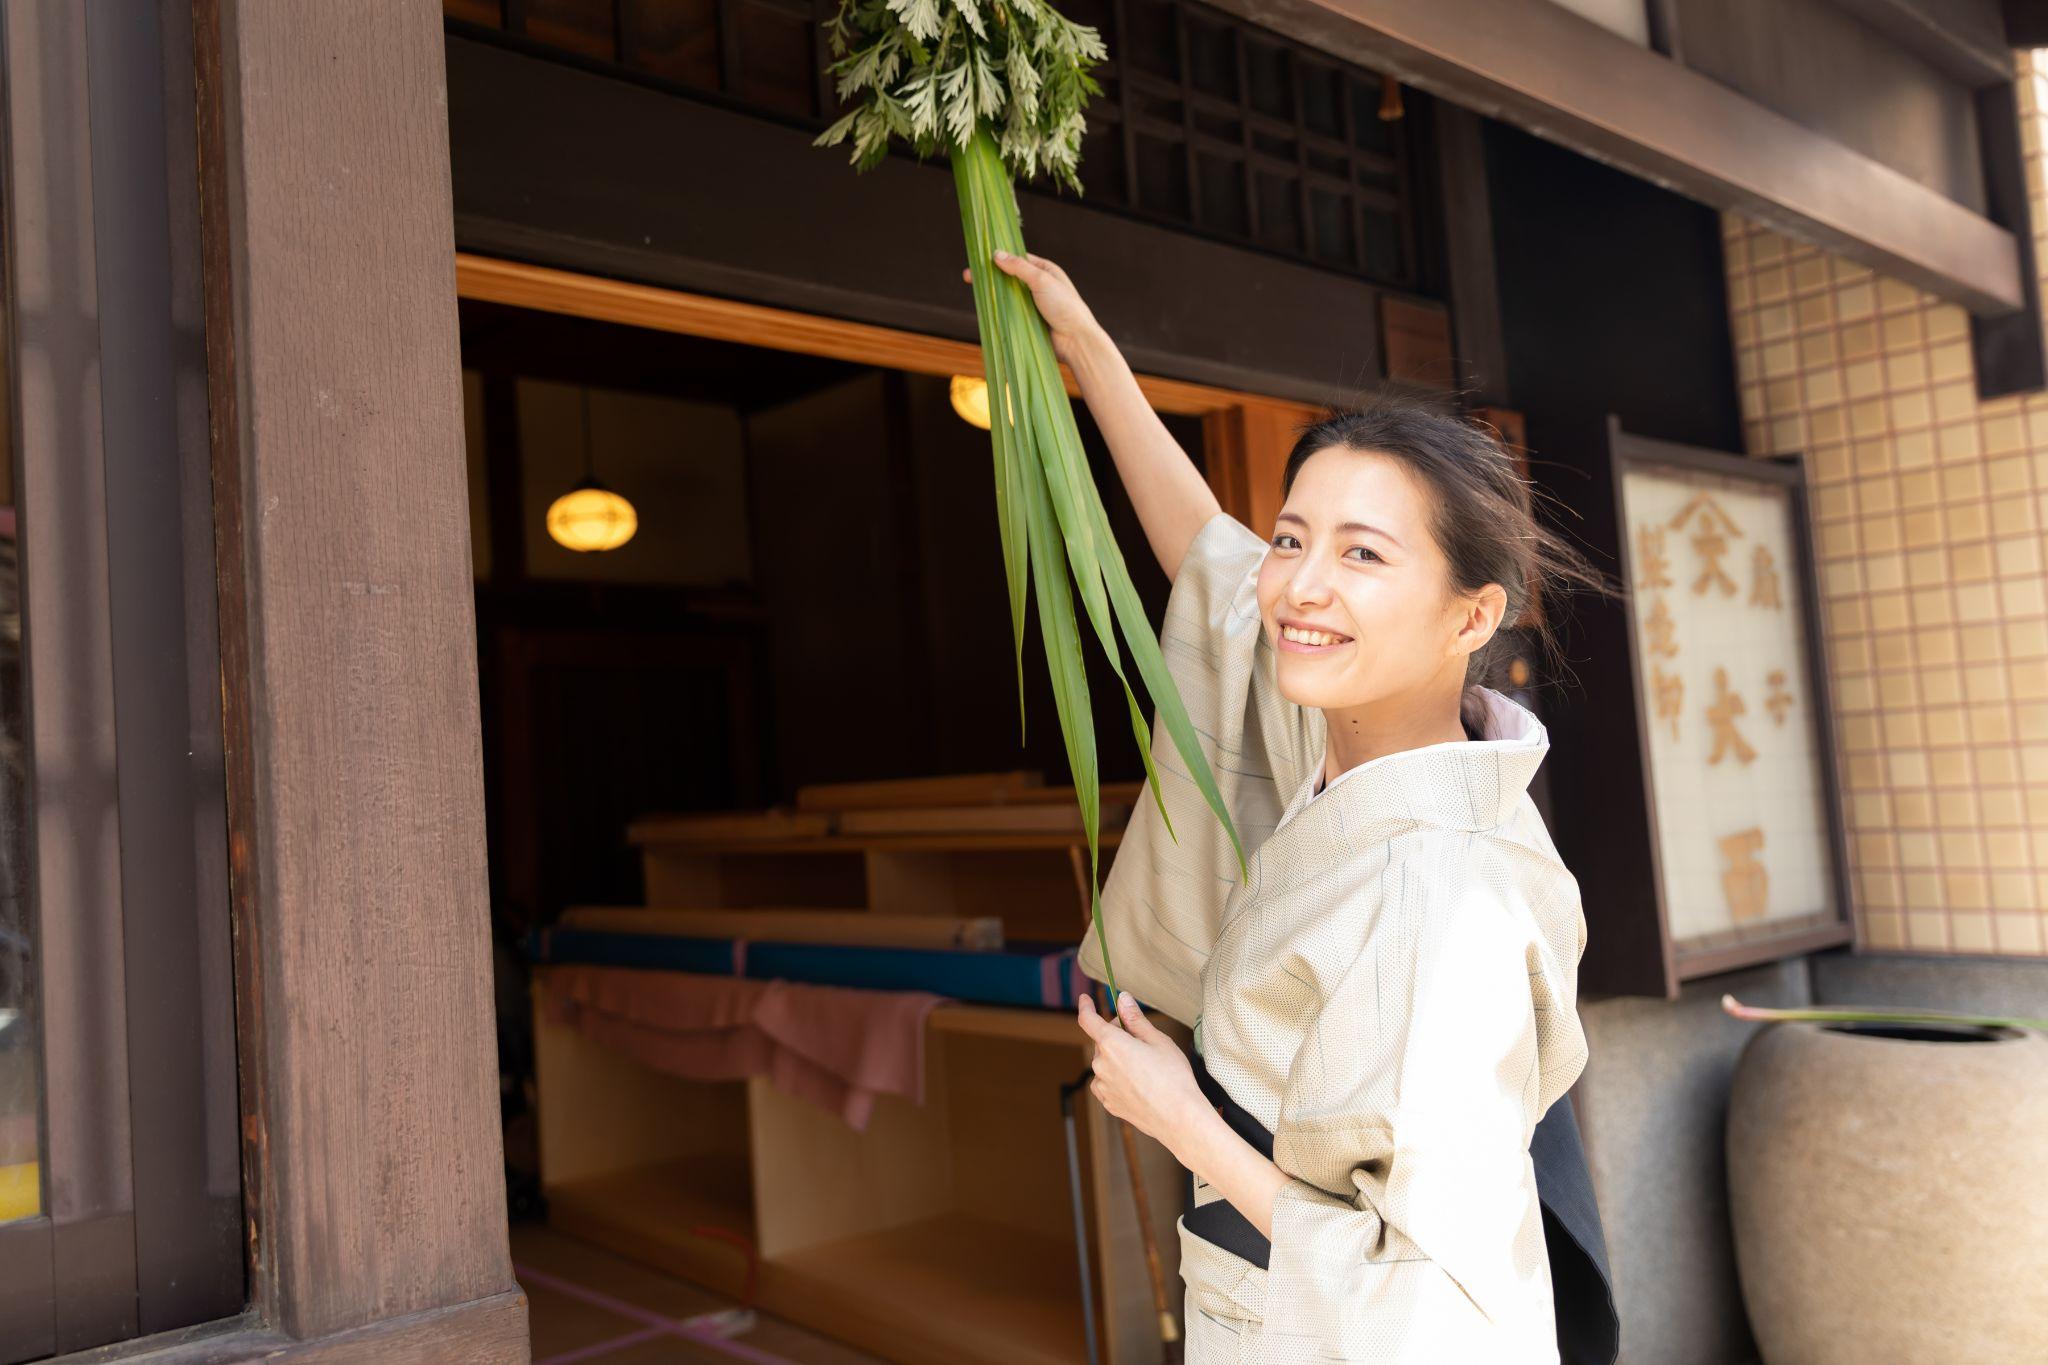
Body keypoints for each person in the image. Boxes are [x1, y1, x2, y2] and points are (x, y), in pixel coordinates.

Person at [961, 250, 1622, 1363]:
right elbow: (1208, 565)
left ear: (1472, 617)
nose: (1299, 586)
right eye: (1292, 537)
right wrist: (1084, 348)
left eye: (1361, 553)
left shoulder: (1451, 897)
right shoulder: (1338, 724)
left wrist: (1176, 1115)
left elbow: (1435, 1304)